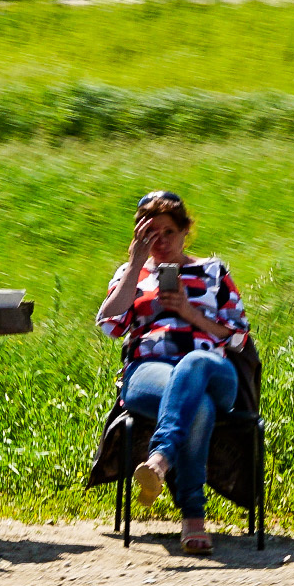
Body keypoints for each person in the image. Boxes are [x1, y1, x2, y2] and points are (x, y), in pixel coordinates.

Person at [94, 191, 249, 554]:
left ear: (184, 232)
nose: (158, 242)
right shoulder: (130, 274)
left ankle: (160, 459)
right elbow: (110, 325)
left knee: (194, 364)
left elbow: (240, 337)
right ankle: (193, 517)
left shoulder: (213, 272)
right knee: (199, 408)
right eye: (148, 233)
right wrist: (134, 266)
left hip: (213, 369)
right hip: (150, 372)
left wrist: (190, 314)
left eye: (167, 232)